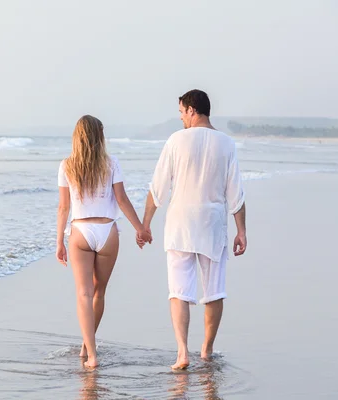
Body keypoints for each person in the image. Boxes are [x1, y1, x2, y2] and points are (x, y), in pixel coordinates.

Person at [138, 90, 247, 370]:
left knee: (179, 291)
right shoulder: (226, 144)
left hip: (179, 224)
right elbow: (236, 193)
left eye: (181, 112)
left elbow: (157, 188)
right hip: (212, 225)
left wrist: (145, 224)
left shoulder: (176, 141)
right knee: (214, 291)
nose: (181, 118)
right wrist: (241, 231)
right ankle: (206, 350)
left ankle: (182, 352)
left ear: (191, 110)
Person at [56, 115, 152, 368]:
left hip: (80, 232)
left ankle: (91, 353)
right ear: (100, 136)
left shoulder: (66, 165)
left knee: (83, 293)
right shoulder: (111, 163)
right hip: (108, 231)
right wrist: (140, 228)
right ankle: (88, 345)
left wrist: (59, 242)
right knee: (99, 292)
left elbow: (63, 207)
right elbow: (121, 199)